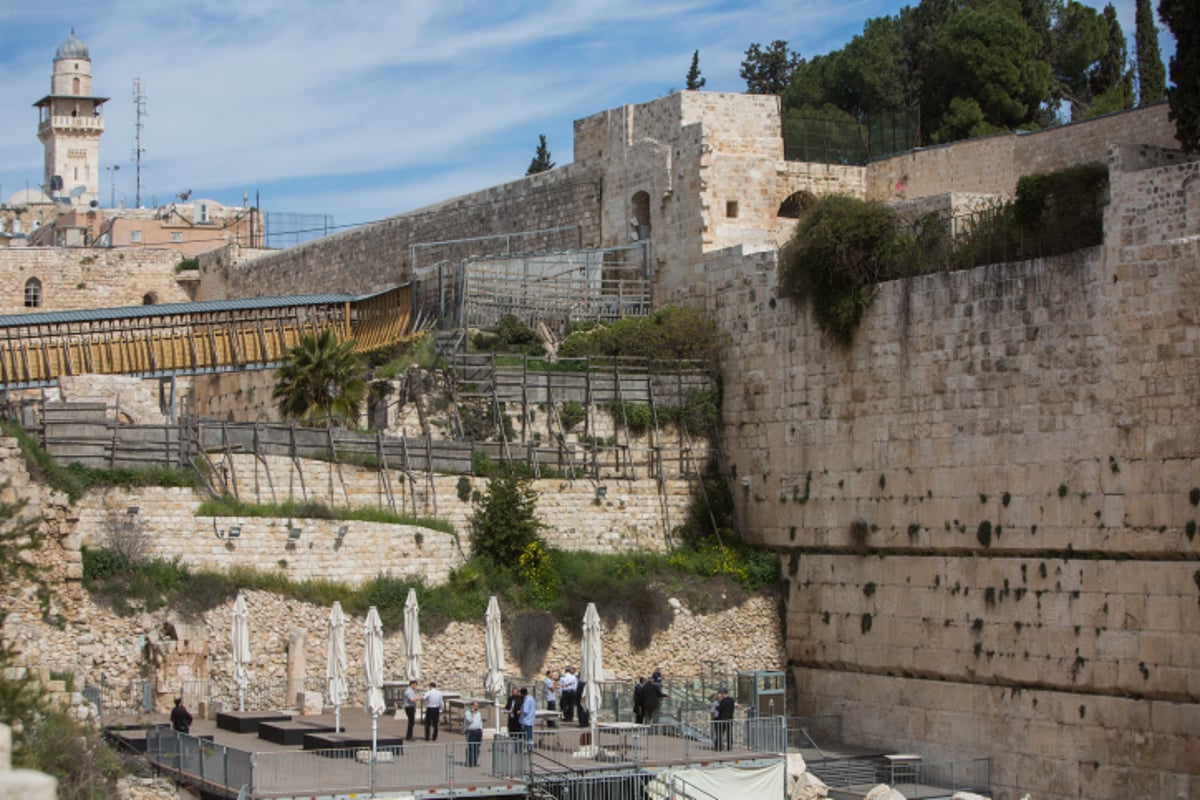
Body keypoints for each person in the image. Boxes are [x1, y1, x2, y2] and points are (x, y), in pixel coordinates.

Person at [464, 701, 484, 766]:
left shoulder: (479, 713)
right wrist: (472, 712)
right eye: (475, 706)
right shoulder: (467, 713)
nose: (477, 707)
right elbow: (470, 720)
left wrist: (481, 730)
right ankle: (470, 762)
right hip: (471, 732)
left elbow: (480, 722)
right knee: (471, 747)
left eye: (477, 706)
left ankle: (475, 761)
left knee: (477, 748)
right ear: (472, 706)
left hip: (478, 732)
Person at [519, 687, 537, 752]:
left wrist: (520, 711)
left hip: (526, 720)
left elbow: (525, 710)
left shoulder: (526, 700)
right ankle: (530, 748)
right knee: (529, 735)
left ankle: (527, 748)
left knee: (526, 735)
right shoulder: (532, 698)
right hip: (531, 719)